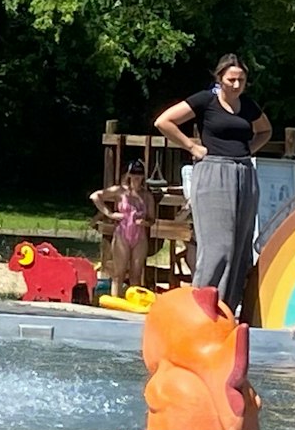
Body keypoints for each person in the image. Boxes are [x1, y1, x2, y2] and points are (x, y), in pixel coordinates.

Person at [155, 53, 272, 314]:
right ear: (220, 78)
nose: (236, 85)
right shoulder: (206, 100)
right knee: (219, 246)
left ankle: (226, 311)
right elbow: (164, 121)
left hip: (243, 171)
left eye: (241, 79)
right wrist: (191, 146)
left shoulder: (248, 105)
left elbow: (265, 131)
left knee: (240, 248)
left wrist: (249, 150)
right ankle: (200, 310)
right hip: (213, 171)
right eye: (231, 79)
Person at [91, 160, 155, 299]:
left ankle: (133, 302)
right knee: (118, 272)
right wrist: (110, 214)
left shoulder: (146, 195)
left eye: (140, 174)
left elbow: (152, 219)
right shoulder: (120, 191)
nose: (137, 177)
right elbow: (95, 196)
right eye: (134, 173)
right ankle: (115, 301)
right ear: (128, 175)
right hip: (123, 233)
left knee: (136, 274)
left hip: (139, 235)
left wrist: (146, 222)